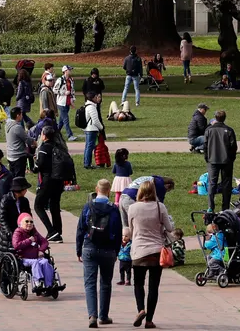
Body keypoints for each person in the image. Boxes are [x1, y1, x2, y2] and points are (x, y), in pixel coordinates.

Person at [122, 179, 173, 329]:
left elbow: (131, 231)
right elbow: (169, 228)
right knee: (153, 287)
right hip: (156, 251)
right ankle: (149, 320)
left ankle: (140, 309)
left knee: (138, 283)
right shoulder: (160, 207)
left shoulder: (133, 208)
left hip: (138, 251)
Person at [77, 179, 125, 328]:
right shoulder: (113, 209)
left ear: (96, 189)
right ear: (109, 191)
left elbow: (81, 229)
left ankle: (92, 315)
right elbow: (118, 231)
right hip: (108, 250)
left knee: (90, 283)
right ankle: (103, 316)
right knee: (105, 283)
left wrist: (79, 249)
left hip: (90, 247)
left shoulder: (88, 206)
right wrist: (116, 251)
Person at [33, 126, 71, 242]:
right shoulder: (59, 146)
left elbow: (41, 164)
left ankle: (51, 231)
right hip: (59, 180)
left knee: (38, 205)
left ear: (44, 135)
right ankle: (57, 232)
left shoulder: (45, 147)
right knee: (55, 205)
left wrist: (35, 165)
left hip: (48, 180)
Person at [204, 110, 238, 212]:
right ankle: (225, 207)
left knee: (212, 183)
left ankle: (211, 206)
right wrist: (231, 158)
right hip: (226, 160)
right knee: (226, 184)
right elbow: (233, 146)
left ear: (215, 117)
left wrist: (207, 157)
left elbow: (205, 145)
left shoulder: (209, 130)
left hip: (212, 160)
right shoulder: (229, 130)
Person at [0, 176, 32, 258]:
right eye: (25, 189)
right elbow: (2, 218)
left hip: (22, 232)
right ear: (19, 191)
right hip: (8, 234)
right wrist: (9, 232)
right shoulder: (6, 200)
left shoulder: (24, 201)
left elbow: (28, 216)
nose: (26, 191)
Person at [83, 91, 105, 170]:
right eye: (96, 97)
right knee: (90, 146)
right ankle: (87, 164)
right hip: (91, 129)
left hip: (88, 129)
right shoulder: (91, 107)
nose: (97, 98)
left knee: (87, 146)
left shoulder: (87, 105)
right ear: (92, 98)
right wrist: (101, 127)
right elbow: (95, 120)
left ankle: (86, 162)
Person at [55, 65, 78, 141]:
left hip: (67, 102)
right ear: (65, 71)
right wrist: (64, 92)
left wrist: (72, 100)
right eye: (69, 70)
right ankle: (70, 135)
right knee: (66, 119)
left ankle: (56, 133)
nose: (70, 71)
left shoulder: (70, 80)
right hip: (61, 103)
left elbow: (72, 91)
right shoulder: (60, 80)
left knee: (61, 121)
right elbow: (54, 90)